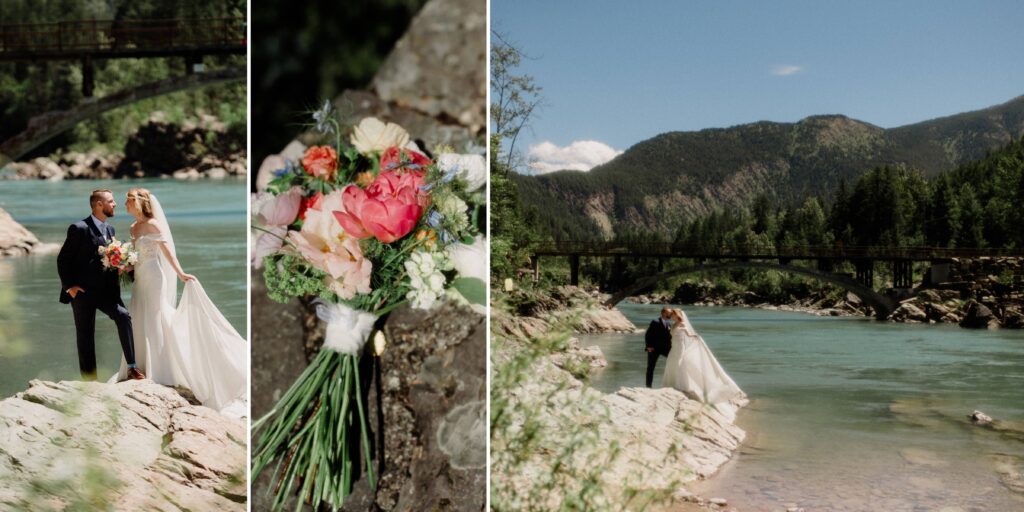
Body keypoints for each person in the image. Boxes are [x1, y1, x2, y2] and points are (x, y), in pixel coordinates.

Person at [115, 188, 247, 416]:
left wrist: (181, 273)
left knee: (156, 315)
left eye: (127, 201)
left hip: (155, 277)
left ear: (137, 203)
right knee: (138, 314)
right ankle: (139, 365)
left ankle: (162, 368)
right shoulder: (133, 228)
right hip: (139, 279)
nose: (124, 205)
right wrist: (121, 266)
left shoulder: (154, 225)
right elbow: (134, 258)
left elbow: (167, 253)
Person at [57, 189, 145, 381]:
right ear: (99, 204)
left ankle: (132, 367)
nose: (115, 204)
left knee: (123, 316)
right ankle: (90, 381)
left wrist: (124, 266)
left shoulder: (110, 230)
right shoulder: (79, 228)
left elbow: (111, 260)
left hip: (107, 292)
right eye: (111, 201)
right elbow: (63, 260)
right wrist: (69, 287)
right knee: (85, 336)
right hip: (82, 292)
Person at [662, 308, 744, 416]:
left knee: (679, 363)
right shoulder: (673, 324)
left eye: (673, 315)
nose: (671, 316)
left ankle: (680, 384)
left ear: (677, 315)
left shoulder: (682, 323)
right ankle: (670, 383)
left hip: (680, 346)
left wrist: (696, 337)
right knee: (671, 362)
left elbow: (689, 334)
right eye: (671, 315)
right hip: (674, 346)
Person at [643, 308, 673, 387]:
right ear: (663, 313)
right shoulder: (655, 322)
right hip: (653, 349)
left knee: (674, 361)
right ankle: (648, 386)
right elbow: (648, 335)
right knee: (650, 368)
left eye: (671, 313)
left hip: (665, 349)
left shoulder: (669, 323)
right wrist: (648, 346)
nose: (670, 314)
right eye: (669, 313)